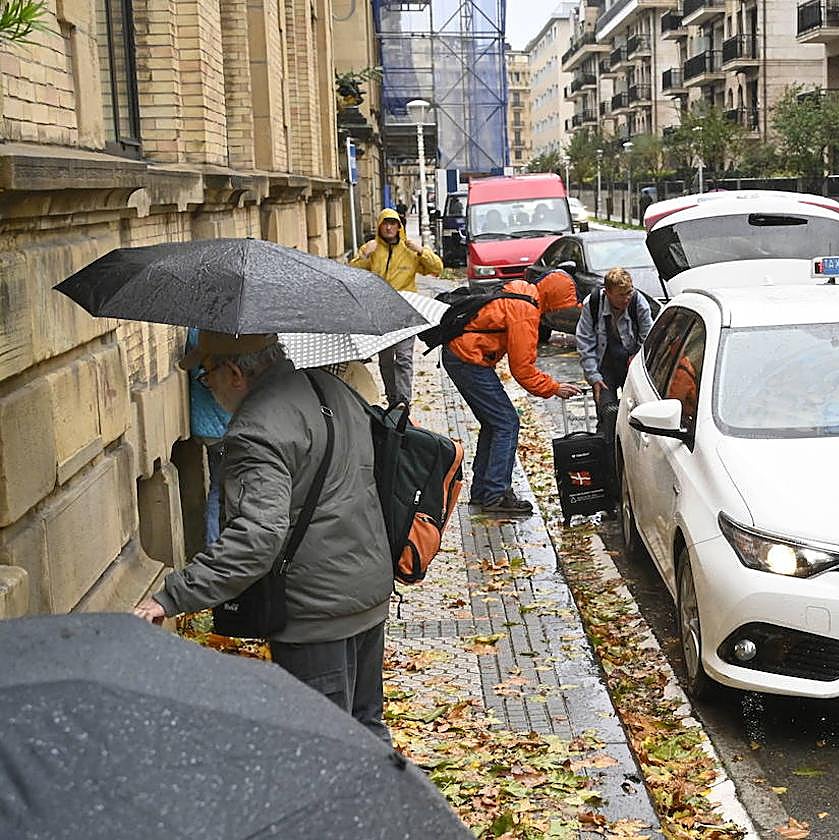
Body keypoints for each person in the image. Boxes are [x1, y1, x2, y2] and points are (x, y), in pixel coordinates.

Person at [133, 332, 394, 742]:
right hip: (366, 589)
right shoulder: (331, 387)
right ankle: (391, 805)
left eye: (207, 375)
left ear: (234, 372)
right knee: (365, 731)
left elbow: (257, 537)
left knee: (321, 746)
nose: (208, 385)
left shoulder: (256, 430)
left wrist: (171, 596)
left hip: (315, 612)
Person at [443, 270, 583, 516]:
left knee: (494, 422)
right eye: (562, 307)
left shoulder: (521, 291)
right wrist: (554, 388)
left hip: (461, 356)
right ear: (554, 299)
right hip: (467, 359)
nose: (560, 313)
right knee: (507, 423)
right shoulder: (526, 311)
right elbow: (522, 370)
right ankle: (496, 494)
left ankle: (483, 491)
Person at [351, 208, 443, 408]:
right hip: (381, 313)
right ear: (379, 226)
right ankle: (393, 399)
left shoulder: (409, 250)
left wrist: (421, 251)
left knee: (403, 358)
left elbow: (437, 268)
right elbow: (352, 274)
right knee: (385, 360)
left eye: (393, 223)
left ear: (399, 227)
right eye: (385, 223)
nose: (389, 227)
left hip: (405, 312)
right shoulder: (372, 249)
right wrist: (365, 256)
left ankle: (403, 402)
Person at [575, 268, 654, 449]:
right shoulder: (593, 303)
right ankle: (606, 450)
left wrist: (637, 356)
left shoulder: (638, 302)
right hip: (605, 362)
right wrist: (594, 377)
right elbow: (585, 342)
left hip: (629, 361)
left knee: (636, 410)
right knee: (607, 411)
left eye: (629, 292)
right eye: (620, 295)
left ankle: (632, 449)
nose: (626, 298)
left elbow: (648, 337)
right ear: (607, 293)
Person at [186, 327, 231, 547]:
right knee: (222, 488)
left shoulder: (195, 329)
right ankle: (215, 544)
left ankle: (214, 544)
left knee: (217, 486)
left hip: (207, 425)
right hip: (221, 426)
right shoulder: (212, 334)